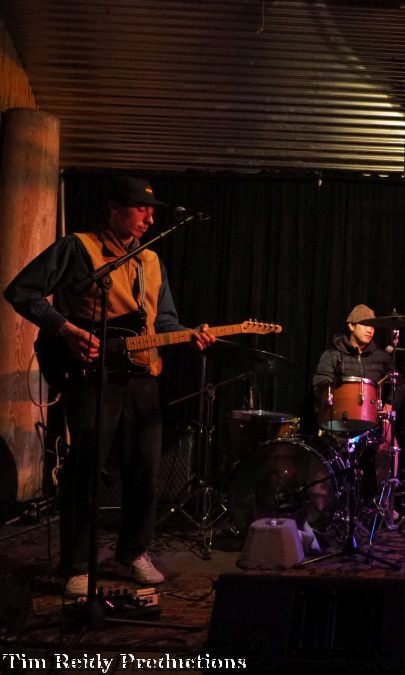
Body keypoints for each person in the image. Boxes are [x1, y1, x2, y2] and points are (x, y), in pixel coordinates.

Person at [4, 176, 215, 598]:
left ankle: (133, 552)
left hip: (143, 379)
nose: (149, 219)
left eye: (151, 211)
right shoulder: (78, 248)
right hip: (93, 376)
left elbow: (163, 321)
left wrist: (188, 333)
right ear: (114, 208)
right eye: (140, 209)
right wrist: (66, 330)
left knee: (144, 470)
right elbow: (21, 291)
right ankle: (77, 564)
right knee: (85, 471)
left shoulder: (152, 261)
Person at [313, 304, 396, 498]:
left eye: (373, 326)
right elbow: (320, 383)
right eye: (365, 324)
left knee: (389, 443)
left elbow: (396, 384)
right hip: (339, 421)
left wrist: (390, 403)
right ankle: (323, 502)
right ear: (351, 326)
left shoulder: (382, 357)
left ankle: (384, 503)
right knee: (322, 453)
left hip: (373, 421)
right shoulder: (332, 355)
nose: (370, 330)